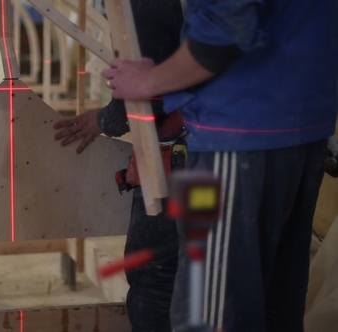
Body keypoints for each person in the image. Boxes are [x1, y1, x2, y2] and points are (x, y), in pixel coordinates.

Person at [102, 1, 338, 331]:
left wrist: (149, 81)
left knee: (209, 315)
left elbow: (225, 28)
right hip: (305, 129)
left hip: (232, 138)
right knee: (276, 307)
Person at [54, 1, 184, 331]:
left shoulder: (144, 4)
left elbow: (145, 92)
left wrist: (105, 119)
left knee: (153, 279)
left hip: (173, 169)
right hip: (205, 159)